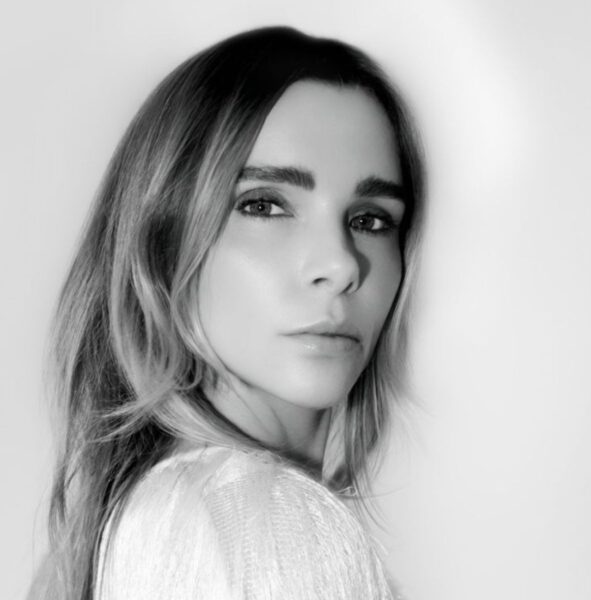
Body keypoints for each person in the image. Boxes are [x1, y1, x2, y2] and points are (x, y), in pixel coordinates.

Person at [29, 26, 424, 600]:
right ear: (161, 241)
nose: (341, 264)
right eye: (264, 205)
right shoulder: (256, 523)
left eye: (371, 219)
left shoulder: (134, 525)